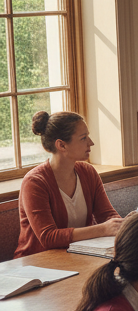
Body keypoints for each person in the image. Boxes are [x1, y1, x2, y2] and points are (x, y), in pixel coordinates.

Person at [15, 110, 122, 257]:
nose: (91, 143)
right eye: (83, 138)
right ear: (62, 145)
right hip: (37, 264)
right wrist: (103, 229)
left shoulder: (88, 172)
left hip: (78, 257)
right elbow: (48, 237)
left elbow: (107, 215)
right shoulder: (34, 183)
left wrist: (123, 224)